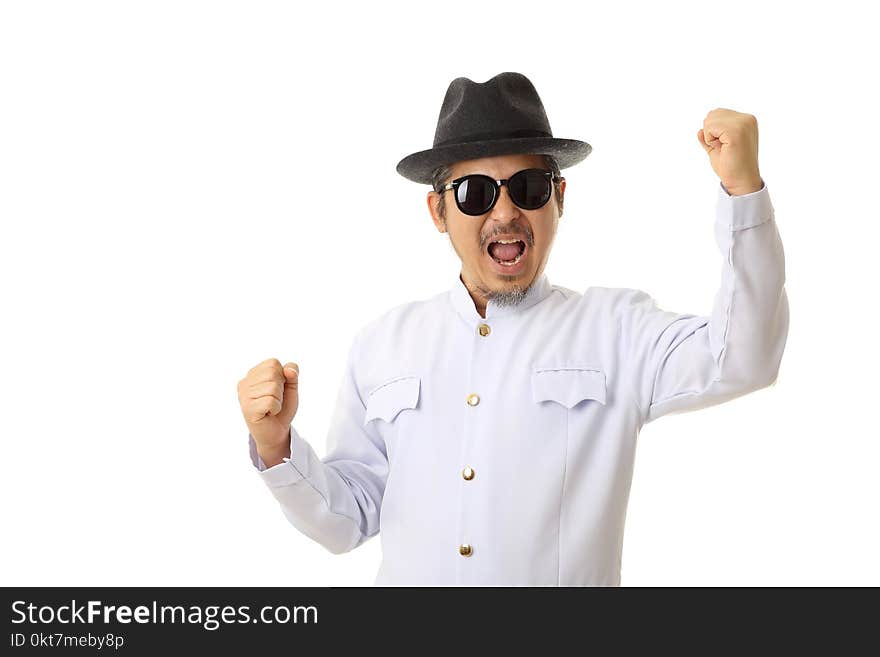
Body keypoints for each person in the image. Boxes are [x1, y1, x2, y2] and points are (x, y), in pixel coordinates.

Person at [237, 72, 789, 586]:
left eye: (527, 187)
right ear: (438, 212)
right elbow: (346, 521)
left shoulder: (616, 331)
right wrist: (276, 444)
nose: (505, 213)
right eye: (476, 192)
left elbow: (742, 357)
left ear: (559, 199)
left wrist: (743, 193)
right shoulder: (382, 345)